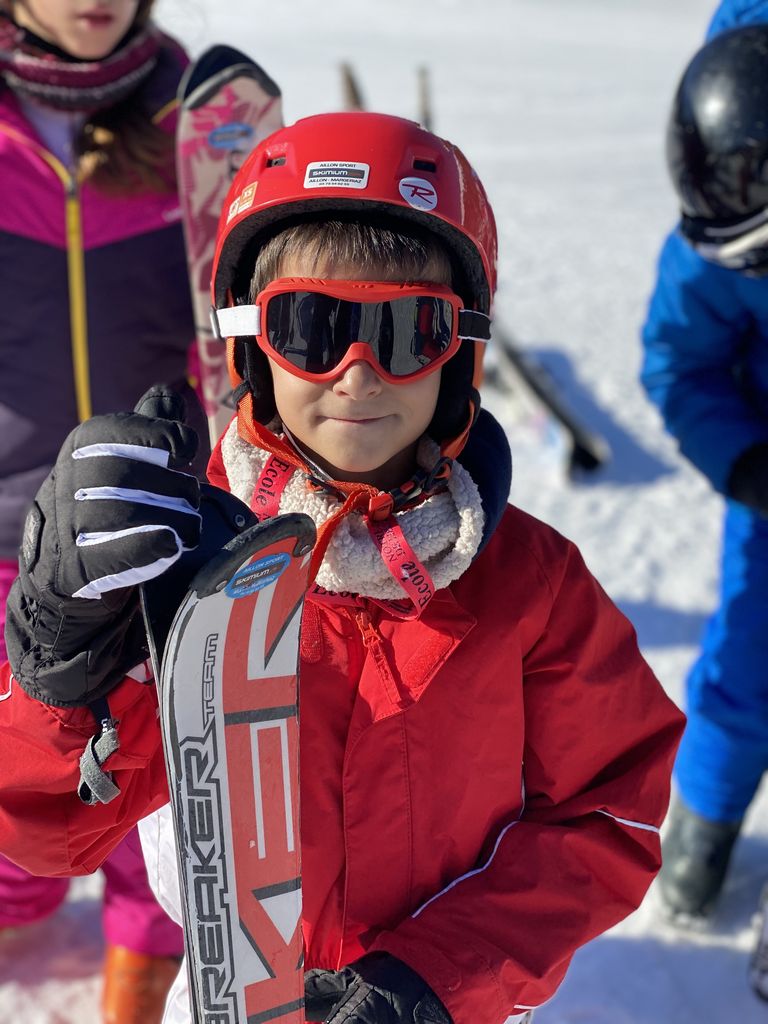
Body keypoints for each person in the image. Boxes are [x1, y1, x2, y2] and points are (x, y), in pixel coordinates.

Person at [0, 111, 684, 1024]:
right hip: (230, 995)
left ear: (461, 351)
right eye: (313, 328)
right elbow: (51, 832)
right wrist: (59, 671)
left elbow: (610, 812)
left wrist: (436, 980)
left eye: (407, 332)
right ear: (251, 344)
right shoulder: (180, 564)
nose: (358, 375)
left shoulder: (532, 584)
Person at [0, 0, 205, 1018]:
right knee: (20, 751)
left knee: (152, 765)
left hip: (164, 513)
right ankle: (18, 901)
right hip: (9, 521)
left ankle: (144, 953)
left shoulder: (197, 120)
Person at [641, 24, 768, 921]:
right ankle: (704, 830)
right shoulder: (721, 206)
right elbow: (680, 363)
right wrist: (748, 462)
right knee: (749, 653)